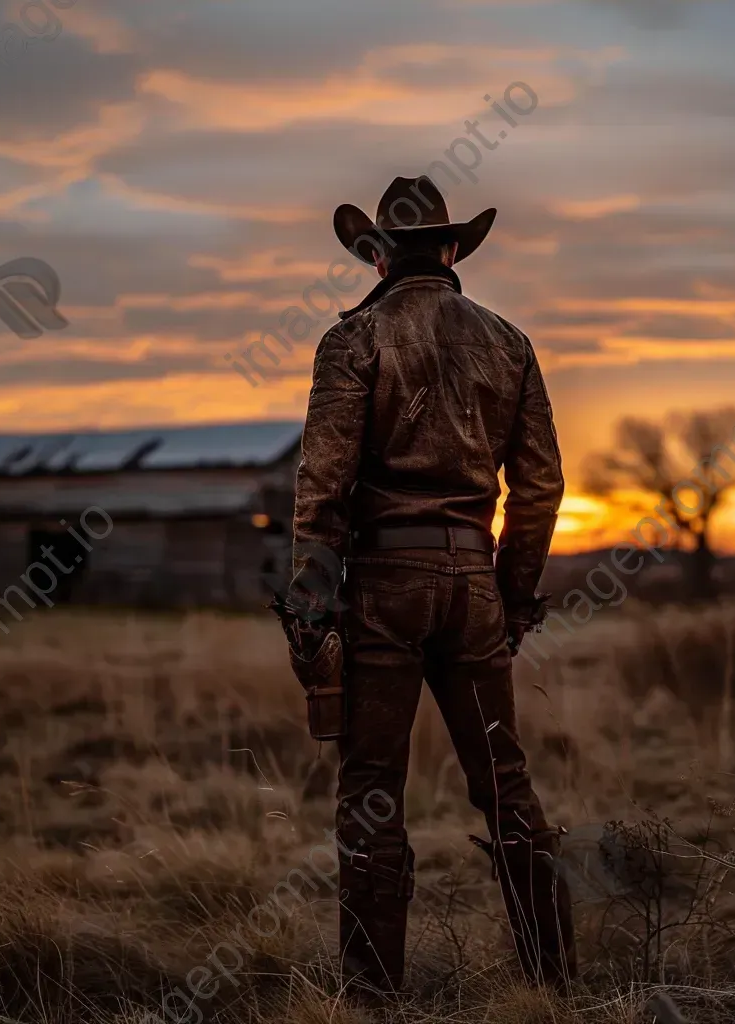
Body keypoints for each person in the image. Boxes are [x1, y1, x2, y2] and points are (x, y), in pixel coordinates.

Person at [287, 174, 575, 1000]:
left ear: (378, 255)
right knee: (505, 784)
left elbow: (322, 487)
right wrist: (513, 599)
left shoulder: (351, 341)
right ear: (452, 251)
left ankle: (374, 999)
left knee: (373, 788)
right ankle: (553, 989)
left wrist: (312, 611)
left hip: (382, 586)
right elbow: (542, 487)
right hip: (474, 588)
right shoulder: (509, 342)